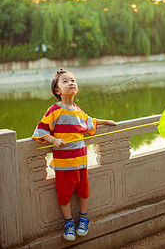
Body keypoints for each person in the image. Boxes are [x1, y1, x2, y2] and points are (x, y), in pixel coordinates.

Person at [31, 68, 117, 241]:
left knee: (83, 192)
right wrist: (53, 140)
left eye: (73, 80)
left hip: (81, 161)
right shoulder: (54, 110)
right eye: (65, 81)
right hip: (63, 164)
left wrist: (106, 121)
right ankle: (69, 222)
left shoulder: (77, 110)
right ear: (57, 91)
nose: (71, 83)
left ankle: (83, 218)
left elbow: (88, 120)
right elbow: (40, 129)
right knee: (64, 195)